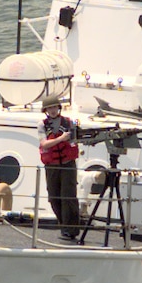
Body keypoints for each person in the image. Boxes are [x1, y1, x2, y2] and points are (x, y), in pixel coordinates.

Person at [38, 95, 81, 240]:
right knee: (54, 196)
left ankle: (71, 230)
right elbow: (44, 144)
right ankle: (64, 226)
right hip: (52, 166)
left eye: (54, 107)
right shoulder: (42, 125)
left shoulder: (69, 123)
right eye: (49, 108)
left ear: (59, 108)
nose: (52, 110)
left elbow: (75, 140)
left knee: (68, 196)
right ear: (46, 110)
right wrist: (62, 139)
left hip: (68, 165)